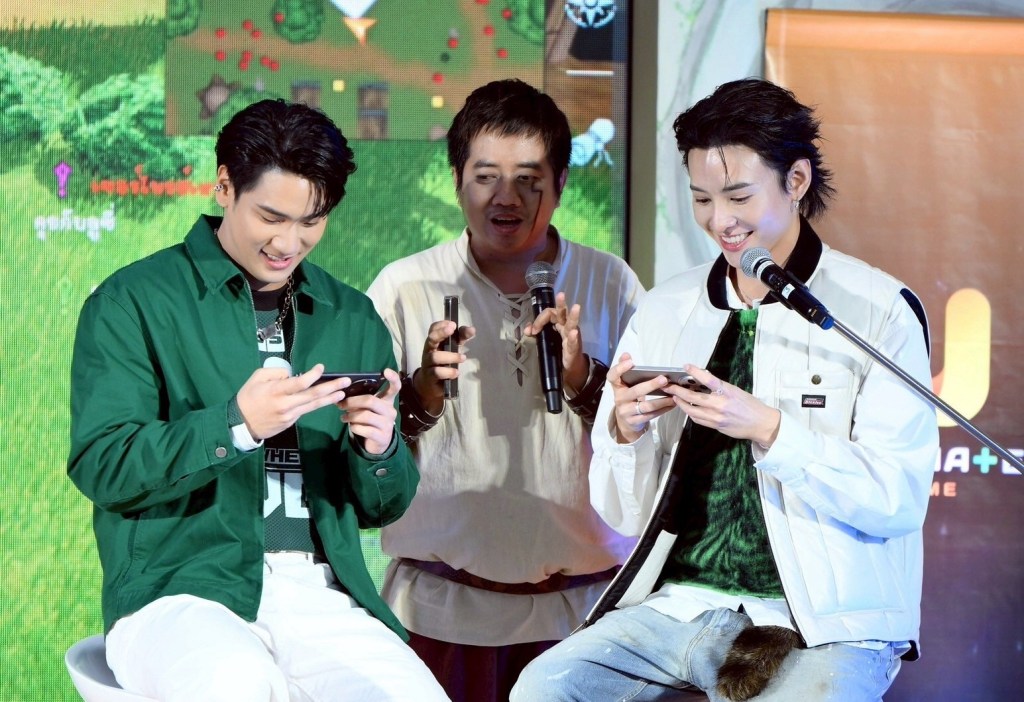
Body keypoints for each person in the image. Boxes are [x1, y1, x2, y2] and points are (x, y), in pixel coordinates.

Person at [512, 78, 939, 701]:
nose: (720, 221)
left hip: (827, 625)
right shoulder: (666, 308)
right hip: (680, 606)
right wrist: (625, 434)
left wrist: (771, 430)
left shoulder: (877, 309)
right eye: (701, 199)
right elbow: (623, 515)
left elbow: (895, 498)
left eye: (739, 196)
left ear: (796, 180)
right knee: (544, 689)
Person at [67, 99, 449, 702]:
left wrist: (379, 449)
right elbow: (104, 465)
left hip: (322, 594)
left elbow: (381, 506)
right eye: (271, 216)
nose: (288, 242)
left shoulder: (352, 316)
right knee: (237, 685)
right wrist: (236, 425)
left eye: (312, 221)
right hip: (180, 592)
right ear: (224, 186)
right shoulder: (132, 302)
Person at [365, 78, 645, 702]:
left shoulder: (612, 283)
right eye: (486, 176)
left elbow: (655, 441)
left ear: (562, 182)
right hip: (438, 613)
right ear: (457, 179)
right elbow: (360, 448)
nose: (506, 197)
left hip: (588, 616)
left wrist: (583, 378)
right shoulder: (403, 288)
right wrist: (422, 395)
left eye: (528, 178)